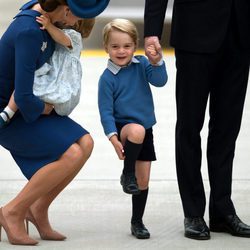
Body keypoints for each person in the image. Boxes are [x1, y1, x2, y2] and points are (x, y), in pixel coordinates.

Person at [0, 0, 109, 246]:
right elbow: (24, 96)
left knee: (86, 143)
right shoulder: (29, 31)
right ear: (64, 8)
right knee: (70, 153)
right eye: (74, 17)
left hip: (29, 107)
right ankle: (12, 211)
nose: (74, 25)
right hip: (10, 115)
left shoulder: (41, 19)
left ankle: (37, 208)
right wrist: (47, 108)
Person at [144, 0, 250, 240]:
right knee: (189, 127)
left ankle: (222, 210)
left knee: (227, 129)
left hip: (240, 36)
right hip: (195, 35)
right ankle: (193, 212)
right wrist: (152, 30)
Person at [98, 18, 167, 239]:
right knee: (137, 130)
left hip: (145, 129)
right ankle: (127, 173)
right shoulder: (107, 78)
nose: (121, 51)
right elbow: (105, 111)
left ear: (135, 46)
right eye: (115, 46)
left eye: (127, 46)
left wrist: (156, 62)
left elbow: (160, 81)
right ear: (106, 47)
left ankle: (137, 221)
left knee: (144, 181)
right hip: (124, 129)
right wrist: (113, 138)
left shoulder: (141, 65)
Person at [0, 16, 95, 126]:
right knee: (26, 83)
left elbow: (62, 38)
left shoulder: (75, 37)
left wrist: (49, 26)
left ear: (77, 23)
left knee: (38, 88)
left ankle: (29, 112)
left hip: (59, 77)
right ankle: (8, 112)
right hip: (51, 72)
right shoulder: (59, 32)